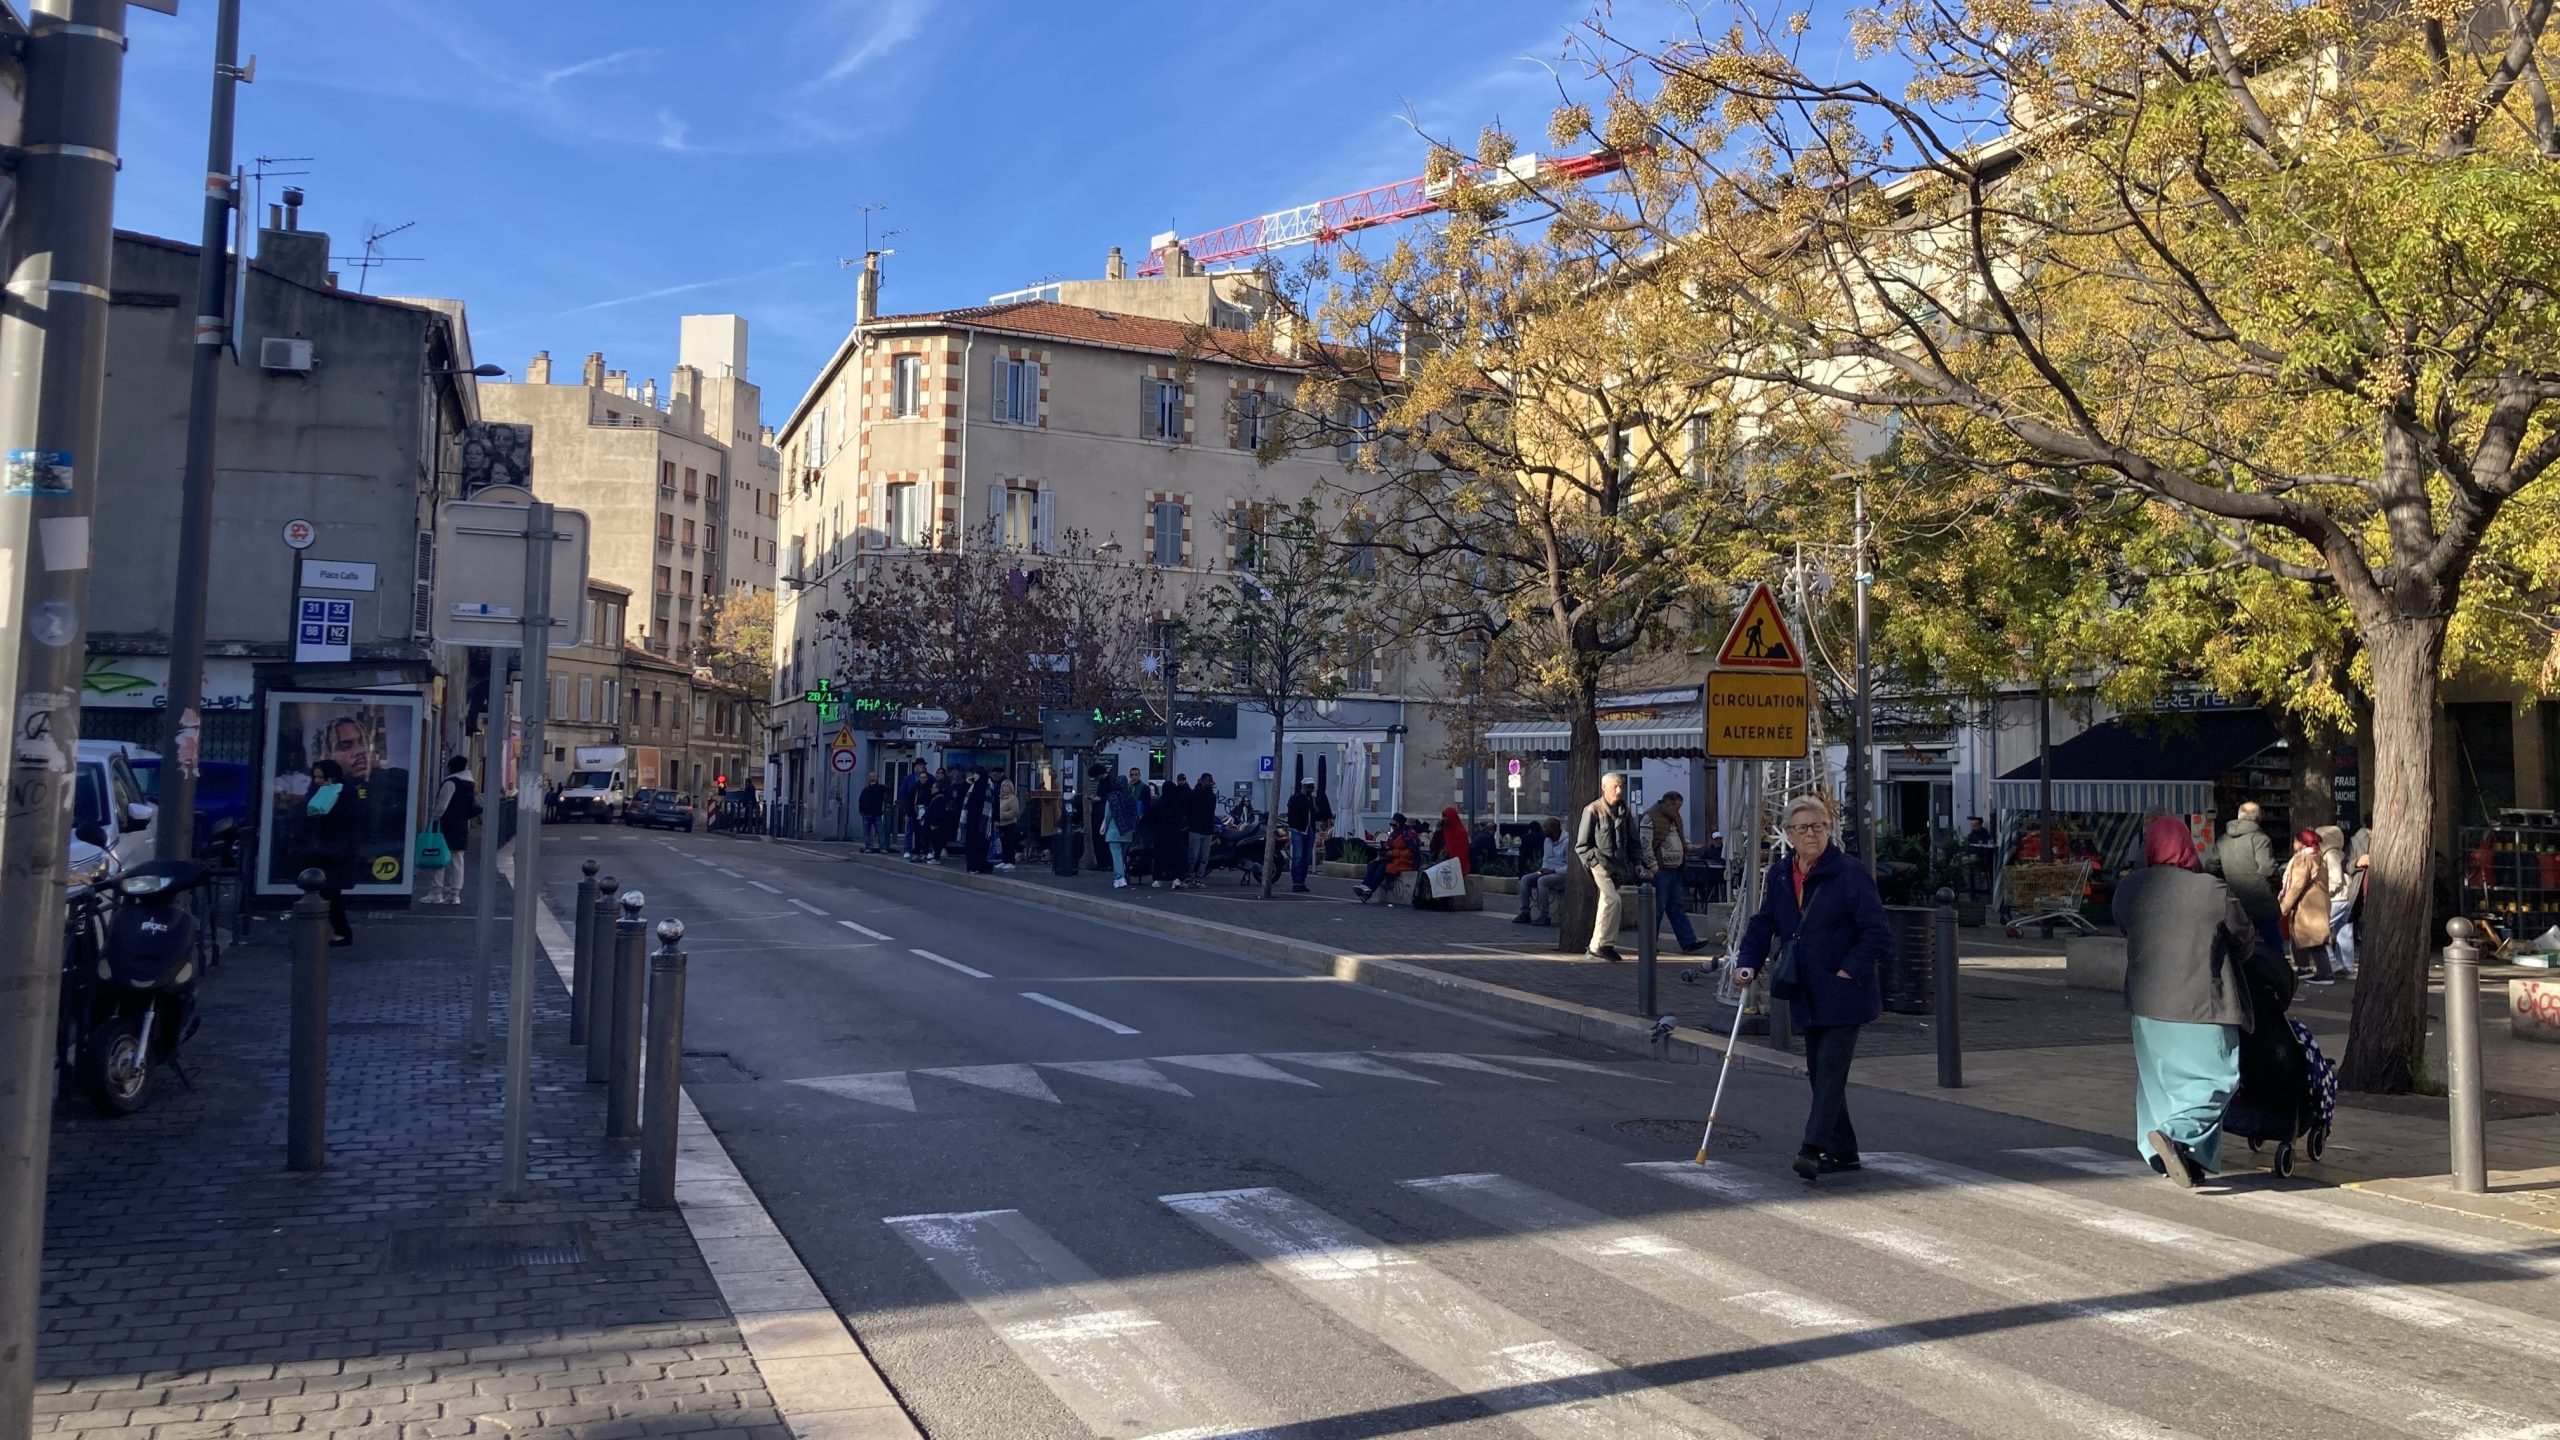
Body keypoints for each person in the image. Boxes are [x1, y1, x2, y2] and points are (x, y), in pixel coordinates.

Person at [2115, 813, 2284, 1187]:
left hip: (2146, 1004)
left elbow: (2124, 925)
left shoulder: (2129, 890)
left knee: (2159, 1085)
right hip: (2202, 1001)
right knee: (2217, 1078)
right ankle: (2177, 1135)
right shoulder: (2211, 891)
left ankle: (2167, 1152)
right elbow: (2243, 940)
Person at [1734, 796, 1890, 1183]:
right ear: (1788, 835)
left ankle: (1812, 1148)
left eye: (1818, 827)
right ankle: (1845, 1149)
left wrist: (1848, 970)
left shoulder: (1849, 873)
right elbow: (1764, 920)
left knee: (1831, 1071)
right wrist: (1748, 962)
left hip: (1843, 991)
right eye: (1802, 828)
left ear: (1828, 830)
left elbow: (1877, 932)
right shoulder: (1782, 875)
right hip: (1805, 988)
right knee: (1818, 1073)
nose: (1811, 834)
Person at [1573, 772, 1645, 962]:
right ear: (1604, 787)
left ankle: (1598, 945)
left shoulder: (1625, 811)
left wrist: (1637, 862)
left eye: (1621, 786)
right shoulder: (1593, 810)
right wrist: (1593, 862)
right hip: (1601, 863)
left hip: (1617, 866)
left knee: (1607, 902)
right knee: (1613, 900)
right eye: (1615, 786)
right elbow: (1582, 845)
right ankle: (1604, 944)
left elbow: (1633, 840)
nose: (1619, 791)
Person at [2210, 800, 2282, 956]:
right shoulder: (2260, 839)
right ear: (2259, 818)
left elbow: (2212, 867)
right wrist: (2277, 887)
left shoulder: (2223, 840)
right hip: (2261, 900)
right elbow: (2268, 869)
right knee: (2273, 945)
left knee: (2240, 946)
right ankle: (2278, 977)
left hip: (2234, 898)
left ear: (2238, 815)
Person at [300, 758, 357, 947]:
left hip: (334, 851)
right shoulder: (318, 791)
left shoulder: (344, 793)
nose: (317, 781)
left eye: (321, 778)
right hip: (322, 849)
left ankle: (339, 931)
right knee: (328, 892)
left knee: (330, 892)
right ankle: (334, 930)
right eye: (315, 777)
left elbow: (347, 820)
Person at [1647, 791, 1710, 953]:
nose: (1678, 811)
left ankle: (1688, 941)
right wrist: (1653, 865)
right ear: (1667, 805)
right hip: (1661, 870)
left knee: (1676, 906)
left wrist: (1687, 848)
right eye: (1676, 807)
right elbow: (1645, 843)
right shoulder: (1651, 816)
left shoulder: (1675, 818)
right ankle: (1649, 943)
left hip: (1676, 868)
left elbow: (1679, 838)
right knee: (1658, 908)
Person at [2280, 826, 2333, 982]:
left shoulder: (2304, 859)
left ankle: (2324, 972)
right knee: (2302, 935)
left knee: (2314, 938)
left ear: (2302, 843)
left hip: (2308, 903)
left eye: (2295, 841)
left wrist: (2284, 905)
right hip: (2318, 899)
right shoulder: (2318, 857)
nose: (2293, 844)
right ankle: (2304, 968)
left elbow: (2297, 885)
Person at [422, 757, 477, 904]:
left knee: (438, 855)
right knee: (457, 859)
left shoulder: (450, 782)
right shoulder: (469, 783)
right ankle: (455, 893)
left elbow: (442, 805)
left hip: (446, 824)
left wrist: (434, 819)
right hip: (461, 824)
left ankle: (436, 891)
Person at [1515, 816, 1568, 925]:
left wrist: (1552, 870)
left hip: (1560, 873)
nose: (1543, 830)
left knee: (1542, 881)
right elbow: (1546, 859)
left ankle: (1545, 916)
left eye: (1546, 827)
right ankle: (1525, 913)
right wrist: (1542, 870)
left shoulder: (1567, 842)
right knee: (1525, 879)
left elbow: (1570, 866)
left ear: (1553, 829)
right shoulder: (1547, 841)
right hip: (1546, 871)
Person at [1415, 806, 1472, 909]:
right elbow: (1433, 847)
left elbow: (1461, 852)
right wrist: (1437, 832)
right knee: (1423, 869)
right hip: (1441, 860)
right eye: (1443, 816)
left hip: (1453, 862)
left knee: (1435, 871)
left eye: (1447, 816)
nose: (1444, 819)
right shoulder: (1443, 831)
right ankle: (1422, 898)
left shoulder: (1460, 831)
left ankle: (1438, 901)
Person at [1354, 814, 1418, 900]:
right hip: (1393, 859)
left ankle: (1369, 890)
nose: (1392, 827)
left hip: (1405, 861)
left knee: (1382, 867)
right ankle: (1365, 886)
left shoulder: (1409, 834)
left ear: (1399, 824)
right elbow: (1390, 846)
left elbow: (1412, 852)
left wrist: (1394, 853)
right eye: (1391, 824)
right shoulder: (1393, 834)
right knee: (1374, 864)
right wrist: (1385, 850)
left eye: (1394, 825)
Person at [1099, 769, 1139, 888]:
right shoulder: (1131, 799)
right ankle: (1123, 874)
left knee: (1116, 855)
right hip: (1127, 831)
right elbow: (1134, 815)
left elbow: (1108, 815)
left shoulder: (1112, 798)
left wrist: (1103, 826)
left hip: (1113, 831)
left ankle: (1119, 878)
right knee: (1122, 855)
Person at [1284, 780, 1322, 893]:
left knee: (1306, 857)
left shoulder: (1313, 800)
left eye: (1312, 787)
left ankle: (1302, 882)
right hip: (1298, 830)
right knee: (1298, 856)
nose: (1310, 790)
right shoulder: (1296, 798)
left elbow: (1318, 813)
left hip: (1309, 830)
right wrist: (1301, 795)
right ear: (1303, 787)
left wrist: (1314, 806)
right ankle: (1296, 882)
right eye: (1308, 787)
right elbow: (1292, 811)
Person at [1188, 773, 1218, 878]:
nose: (1209, 783)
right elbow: (1189, 810)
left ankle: (1199, 876)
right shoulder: (1194, 794)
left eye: (1210, 781)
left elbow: (1211, 812)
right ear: (1202, 781)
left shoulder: (1212, 796)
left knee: (1204, 857)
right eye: (1207, 781)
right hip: (1195, 828)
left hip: (1207, 829)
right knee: (1193, 856)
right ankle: (1190, 874)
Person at [1963, 816, 1997, 897]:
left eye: (1975, 825)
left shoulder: (1985, 835)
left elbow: (1986, 848)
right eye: (1972, 825)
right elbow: (1968, 847)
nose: (1973, 827)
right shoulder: (1970, 836)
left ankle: (1982, 876)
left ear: (1980, 825)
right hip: (1973, 857)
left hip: (1982, 858)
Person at [858, 771, 888, 853]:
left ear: (877, 778)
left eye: (874, 776)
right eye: (871, 777)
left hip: (877, 814)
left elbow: (884, 798)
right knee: (866, 832)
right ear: (869, 778)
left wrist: (882, 810)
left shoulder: (881, 788)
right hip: (866, 814)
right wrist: (861, 810)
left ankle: (882, 847)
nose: (872, 778)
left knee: (880, 831)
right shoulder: (865, 790)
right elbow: (861, 800)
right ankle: (868, 847)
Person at [997, 776, 1022, 870]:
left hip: (1010, 824)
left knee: (1010, 843)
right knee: (1003, 844)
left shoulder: (1013, 798)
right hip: (1001, 824)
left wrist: (1002, 815)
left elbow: (1014, 812)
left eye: (1006, 786)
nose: (1004, 788)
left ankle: (1011, 861)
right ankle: (1004, 860)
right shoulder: (1000, 798)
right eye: (1003, 786)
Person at [1700, 831, 1729, 904]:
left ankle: (1721, 898)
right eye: (1716, 839)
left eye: (1719, 839)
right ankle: (1709, 898)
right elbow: (1702, 859)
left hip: (1721, 874)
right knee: (1705, 881)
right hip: (1710, 874)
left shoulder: (1724, 850)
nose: (1718, 841)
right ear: (1713, 840)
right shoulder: (1709, 850)